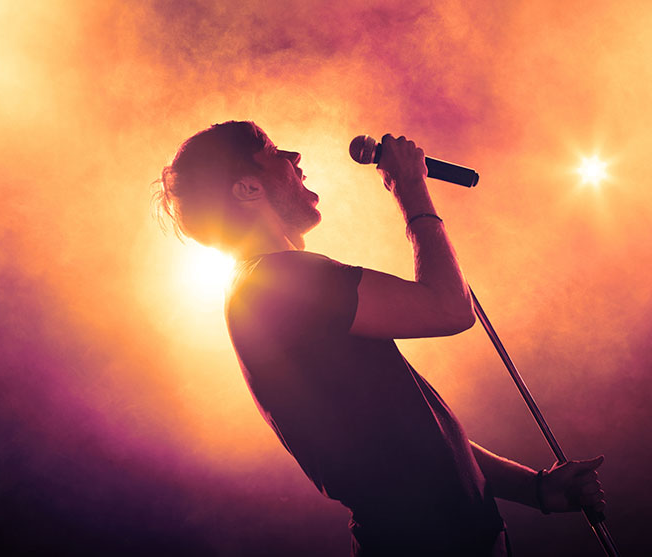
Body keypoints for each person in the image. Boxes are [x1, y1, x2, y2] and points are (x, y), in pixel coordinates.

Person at [156, 121, 605, 556]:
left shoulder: (267, 287)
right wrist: (410, 187)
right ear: (248, 188)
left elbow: (416, 435)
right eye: (274, 152)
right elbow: (449, 308)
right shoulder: (279, 279)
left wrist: (535, 488)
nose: (295, 157)